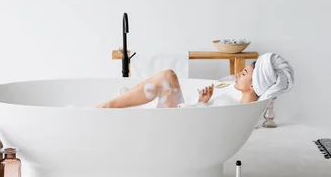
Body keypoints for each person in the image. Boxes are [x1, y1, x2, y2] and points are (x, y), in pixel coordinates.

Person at [97, 52, 294, 109]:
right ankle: (110, 107)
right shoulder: (234, 101)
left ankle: (108, 107)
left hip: (175, 132)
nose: (236, 74)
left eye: (243, 74)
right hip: (182, 124)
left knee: (167, 76)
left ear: (253, 85)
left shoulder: (237, 108)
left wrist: (200, 105)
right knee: (167, 76)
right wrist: (202, 103)